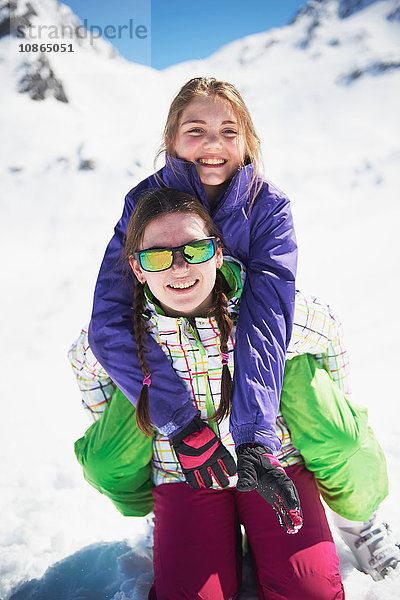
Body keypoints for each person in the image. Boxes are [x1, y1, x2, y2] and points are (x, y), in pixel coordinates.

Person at [95, 187, 345, 599]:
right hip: (186, 474)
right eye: (158, 256)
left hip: (272, 463)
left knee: (310, 591)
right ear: (138, 270)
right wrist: (133, 423)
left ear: (216, 252)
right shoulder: (130, 332)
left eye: (194, 250)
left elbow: (329, 331)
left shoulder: (260, 311)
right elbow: (85, 364)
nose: (178, 268)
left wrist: (334, 401)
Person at [88, 76, 297, 457]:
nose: (213, 143)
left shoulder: (267, 207)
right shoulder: (143, 202)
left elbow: (266, 316)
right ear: (171, 140)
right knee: (111, 461)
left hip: (239, 357)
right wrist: (180, 421)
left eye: (229, 130)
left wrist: (252, 436)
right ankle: (152, 507)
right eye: (196, 130)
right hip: (163, 357)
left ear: (248, 140)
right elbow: (108, 320)